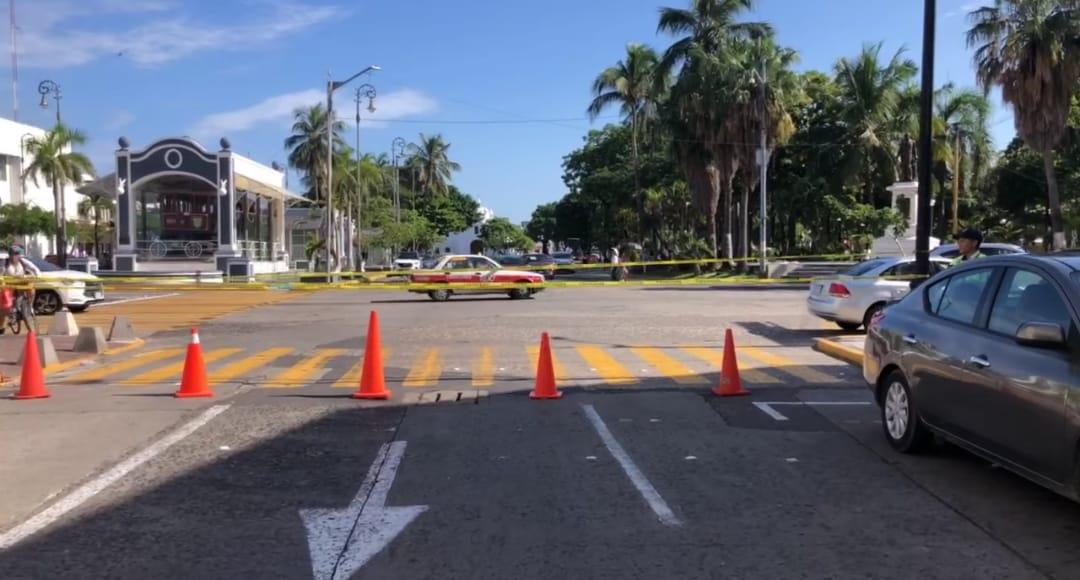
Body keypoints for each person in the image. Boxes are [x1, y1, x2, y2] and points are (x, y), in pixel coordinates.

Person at [1, 245, 39, 323]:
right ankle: (10, 314)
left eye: (17, 253)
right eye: (13, 254)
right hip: (8, 285)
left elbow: (34, 269)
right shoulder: (5, 263)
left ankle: (30, 306)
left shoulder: (23, 261)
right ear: (10, 254)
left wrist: (37, 276)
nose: (15, 256)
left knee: (31, 287)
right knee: (6, 304)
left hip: (21, 283)